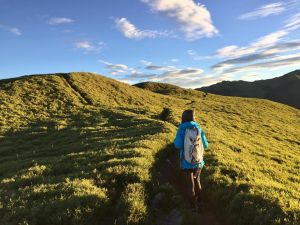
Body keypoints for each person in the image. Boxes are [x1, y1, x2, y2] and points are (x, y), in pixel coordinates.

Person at [173, 109, 208, 211]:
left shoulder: (181, 129)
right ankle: (201, 202)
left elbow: (177, 145)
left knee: (190, 185)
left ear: (183, 118)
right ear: (193, 117)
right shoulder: (199, 128)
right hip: (198, 162)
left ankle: (193, 206)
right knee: (197, 181)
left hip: (186, 162)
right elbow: (206, 145)